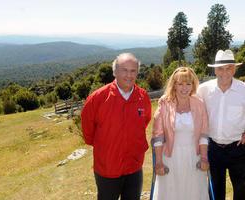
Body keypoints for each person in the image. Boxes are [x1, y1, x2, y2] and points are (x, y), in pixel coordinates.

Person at [81, 53, 151, 200]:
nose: (129, 75)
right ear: (115, 72)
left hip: (134, 167)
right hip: (107, 168)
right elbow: (88, 132)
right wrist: (106, 145)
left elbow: (144, 123)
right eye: (124, 70)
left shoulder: (142, 97)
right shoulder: (98, 98)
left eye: (133, 71)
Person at [152, 67, 210, 200]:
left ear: (193, 85)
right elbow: (158, 136)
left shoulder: (199, 103)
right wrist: (159, 162)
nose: (185, 88)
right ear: (174, 85)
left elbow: (203, 134)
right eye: (180, 84)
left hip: (194, 157)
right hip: (170, 157)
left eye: (188, 83)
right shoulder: (165, 102)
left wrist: (204, 158)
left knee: (193, 193)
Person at [197, 49, 245, 200]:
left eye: (229, 68)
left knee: (242, 190)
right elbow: (195, 113)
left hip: (238, 149)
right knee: (215, 192)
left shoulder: (243, 89)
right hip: (213, 149)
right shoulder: (203, 90)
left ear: (234, 69)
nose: (225, 72)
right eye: (220, 68)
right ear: (215, 70)